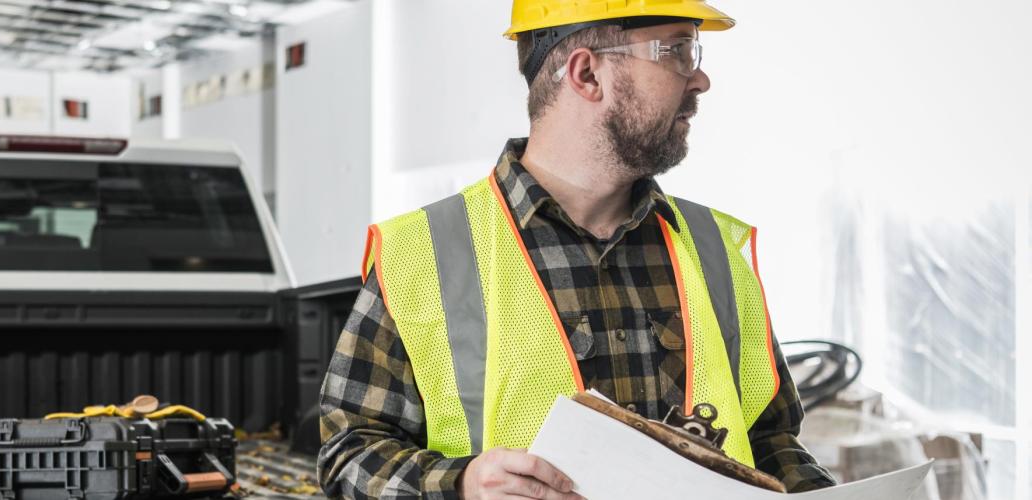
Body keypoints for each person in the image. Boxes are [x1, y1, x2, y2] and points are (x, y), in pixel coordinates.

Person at [316, 1, 837, 498]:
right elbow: (349, 452)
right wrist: (463, 483)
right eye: (677, 50)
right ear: (587, 75)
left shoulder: (714, 248)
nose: (699, 78)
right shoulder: (425, 254)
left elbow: (771, 444)